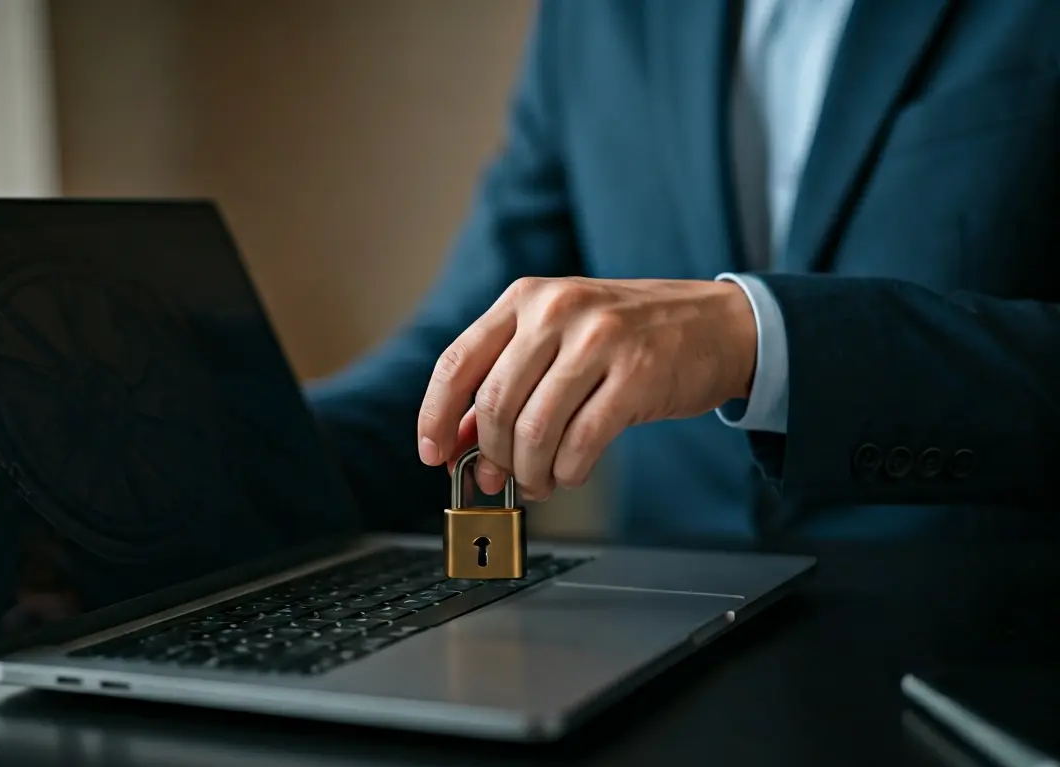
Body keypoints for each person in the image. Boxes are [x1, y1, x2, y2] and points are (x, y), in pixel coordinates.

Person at [306, 0, 1060, 548]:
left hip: (983, 668)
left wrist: (756, 340)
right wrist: (225, 442)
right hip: (652, 661)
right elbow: (472, 348)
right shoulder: (593, 17)